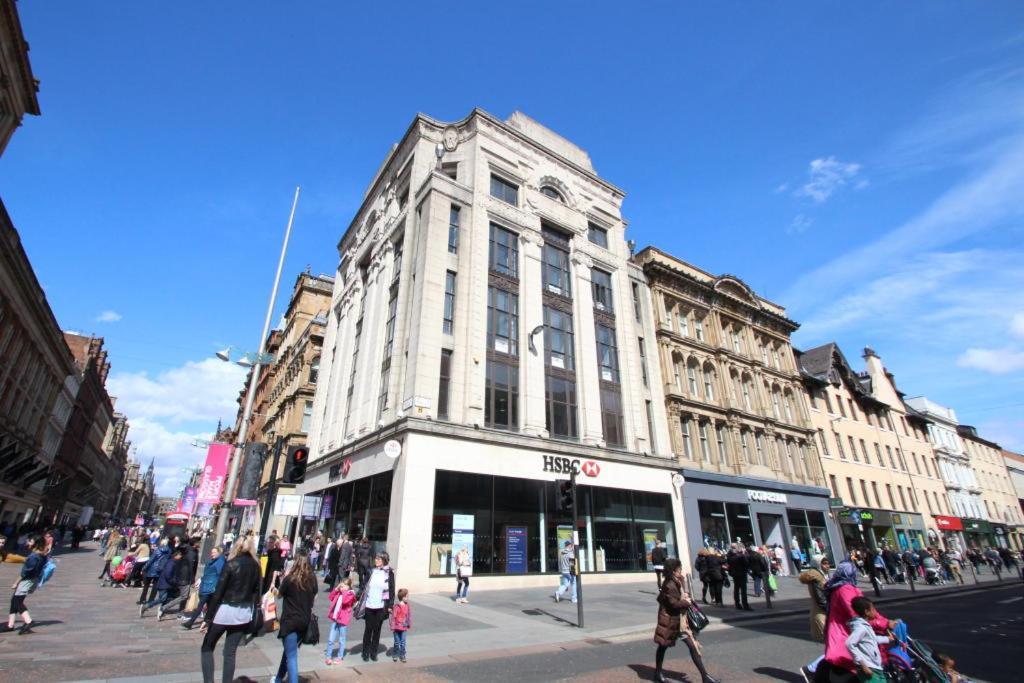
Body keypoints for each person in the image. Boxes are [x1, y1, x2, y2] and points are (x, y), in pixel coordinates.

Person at [815, 560, 897, 683]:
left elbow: (867, 609)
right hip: (844, 631)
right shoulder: (845, 589)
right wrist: (884, 623)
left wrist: (885, 621)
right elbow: (858, 613)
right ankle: (814, 671)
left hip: (846, 628)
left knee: (847, 663)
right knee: (848, 662)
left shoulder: (844, 586)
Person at [201, 535, 262, 683]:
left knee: (207, 647)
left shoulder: (231, 564)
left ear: (236, 547)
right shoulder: (257, 566)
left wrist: (208, 618)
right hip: (243, 612)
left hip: (225, 610)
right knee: (230, 652)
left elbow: (218, 593)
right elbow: (257, 593)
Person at [653, 557, 720, 683]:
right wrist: (685, 602)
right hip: (671, 621)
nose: (681, 571)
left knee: (692, 646)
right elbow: (673, 604)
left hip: (680, 622)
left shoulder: (676, 581)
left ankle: (705, 676)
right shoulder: (669, 584)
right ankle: (658, 673)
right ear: (673, 570)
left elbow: (676, 597)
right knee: (663, 646)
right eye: (679, 569)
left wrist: (685, 597)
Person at [274, 552, 318, 683]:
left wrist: (275, 587)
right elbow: (314, 596)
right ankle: (277, 679)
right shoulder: (312, 578)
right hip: (304, 620)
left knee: (291, 656)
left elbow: (280, 595)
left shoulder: (290, 579)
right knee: (289, 651)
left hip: (290, 620)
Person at [5, 535, 46, 634]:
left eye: (31, 541)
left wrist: (16, 582)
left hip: (27, 580)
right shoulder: (42, 555)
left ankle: (28, 621)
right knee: (14, 600)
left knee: (18, 602)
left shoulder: (34, 556)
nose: (28, 542)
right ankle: (10, 624)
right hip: (33, 579)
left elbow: (25, 572)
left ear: (36, 543)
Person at [845, 597, 890, 683]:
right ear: (866, 612)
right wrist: (863, 665)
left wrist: (887, 639)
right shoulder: (861, 628)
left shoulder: (865, 625)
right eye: (873, 609)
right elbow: (849, 643)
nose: (875, 611)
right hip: (869, 667)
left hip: (875, 666)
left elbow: (872, 639)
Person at [361, 552, 396, 662]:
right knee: (368, 630)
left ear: (384, 560)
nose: (376, 560)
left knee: (377, 630)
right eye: (376, 558)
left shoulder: (389, 573)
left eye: (379, 559)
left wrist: (390, 605)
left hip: (381, 606)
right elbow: (364, 586)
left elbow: (391, 590)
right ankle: (365, 652)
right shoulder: (371, 571)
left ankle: (373, 652)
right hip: (369, 604)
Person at [140, 545, 191, 620]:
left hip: (167, 584)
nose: (180, 557)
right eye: (180, 555)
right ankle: (147, 606)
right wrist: (175, 582)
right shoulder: (171, 563)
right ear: (176, 555)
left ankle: (161, 611)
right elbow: (168, 575)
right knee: (162, 599)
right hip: (164, 584)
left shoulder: (173, 562)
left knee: (168, 598)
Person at [182, 546, 226, 630]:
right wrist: (201, 579)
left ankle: (190, 622)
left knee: (201, 605)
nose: (212, 554)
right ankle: (208, 622)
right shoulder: (213, 561)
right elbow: (207, 574)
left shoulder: (220, 562)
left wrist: (216, 586)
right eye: (211, 552)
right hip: (206, 585)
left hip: (211, 587)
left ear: (219, 553)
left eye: (214, 552)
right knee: (209, 606)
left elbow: (221, 575)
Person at [325, 577, 355, 665]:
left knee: (341, 639)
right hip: (335, 618)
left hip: (343, 620)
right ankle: (328, 656)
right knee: (331, 639)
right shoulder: (339, 592)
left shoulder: (350, 594)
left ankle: (340, 656)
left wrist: (344, 591)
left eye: (345, 585)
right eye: (343, 585)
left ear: (349, 586)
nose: (343, 587)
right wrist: (336, 589)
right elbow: (330, 597)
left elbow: (345, 601)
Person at [140, 540, 170, 605]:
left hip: (152, 569)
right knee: (155, 586)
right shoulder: (169, 551)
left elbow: (151, 560)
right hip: (160, 569)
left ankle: (142, 599)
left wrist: (144, 568)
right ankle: (151, 600)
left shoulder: (158, 550)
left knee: (146, 585)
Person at [390, 587, 411, 662]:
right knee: (396, 642)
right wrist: (392, 626)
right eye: (407, 596)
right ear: (402, 597)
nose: (408, 598)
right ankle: (395, 654)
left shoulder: (407, 606)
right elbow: (393, 617)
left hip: (404, 627)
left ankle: (402, 655)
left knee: (403, 642)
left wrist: (409, 623)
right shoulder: (396, 606)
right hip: (396, 628)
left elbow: (408, 615)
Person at [726, 544, 750, 610]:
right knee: (743, 590)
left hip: (735, 574)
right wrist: (743, 554)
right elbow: (747, 563)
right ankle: (745, 604)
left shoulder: (730, 557)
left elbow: (729, 565)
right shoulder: (741, 556)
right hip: (742, 574)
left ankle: (737, 604)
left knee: (736, 589)